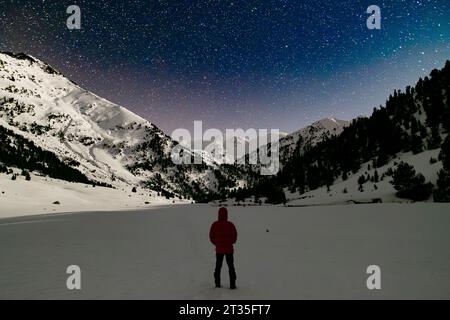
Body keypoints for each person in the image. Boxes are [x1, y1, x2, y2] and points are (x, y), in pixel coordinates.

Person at [209, 207, 237, 289]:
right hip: (229, 249)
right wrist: (230, 242)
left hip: (219, 249)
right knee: (231, 267)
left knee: (218, 267)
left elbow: (211, 236)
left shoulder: (214, 224)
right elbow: (234, 237)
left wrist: (217, 244)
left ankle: (217, 284)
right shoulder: (230, 225)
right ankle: (232, 285)